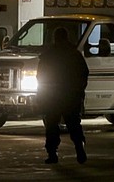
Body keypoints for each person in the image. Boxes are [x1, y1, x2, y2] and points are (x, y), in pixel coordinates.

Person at [36, 26, 89, 164]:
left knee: (52, 125)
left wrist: (43, 95)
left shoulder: (48, 55)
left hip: (52, 96)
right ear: (66, 38)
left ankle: (52, 154)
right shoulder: (74, 54)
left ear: (55, 38)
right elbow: (84, 73)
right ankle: (79, 148)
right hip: (71, 95)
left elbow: (40, 76)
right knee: (74, 124)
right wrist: (79, 91)